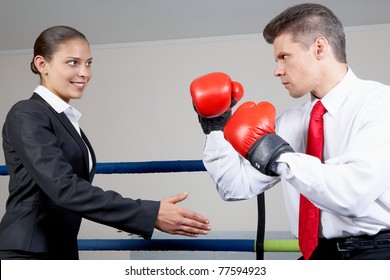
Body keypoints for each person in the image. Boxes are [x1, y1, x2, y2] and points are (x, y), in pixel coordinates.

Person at [191, 3, 390, 260]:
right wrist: (215, 127)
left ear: (319, 48)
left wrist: (276, 155)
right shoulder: (290, 122)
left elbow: (352, 196)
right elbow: (235, 187)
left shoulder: (380, 104)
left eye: (284, 57)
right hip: (316, 254)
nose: (277, 71)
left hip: (377, 254)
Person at [0, 25, 211, 260]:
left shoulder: (63, 118)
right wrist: (149, 213)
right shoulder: (27, 113)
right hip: (27, 250)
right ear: (42, 64)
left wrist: (148, 213)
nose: (85, 73)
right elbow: (64, 188)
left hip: (59, 249)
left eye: (88, 63)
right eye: (73, 62)